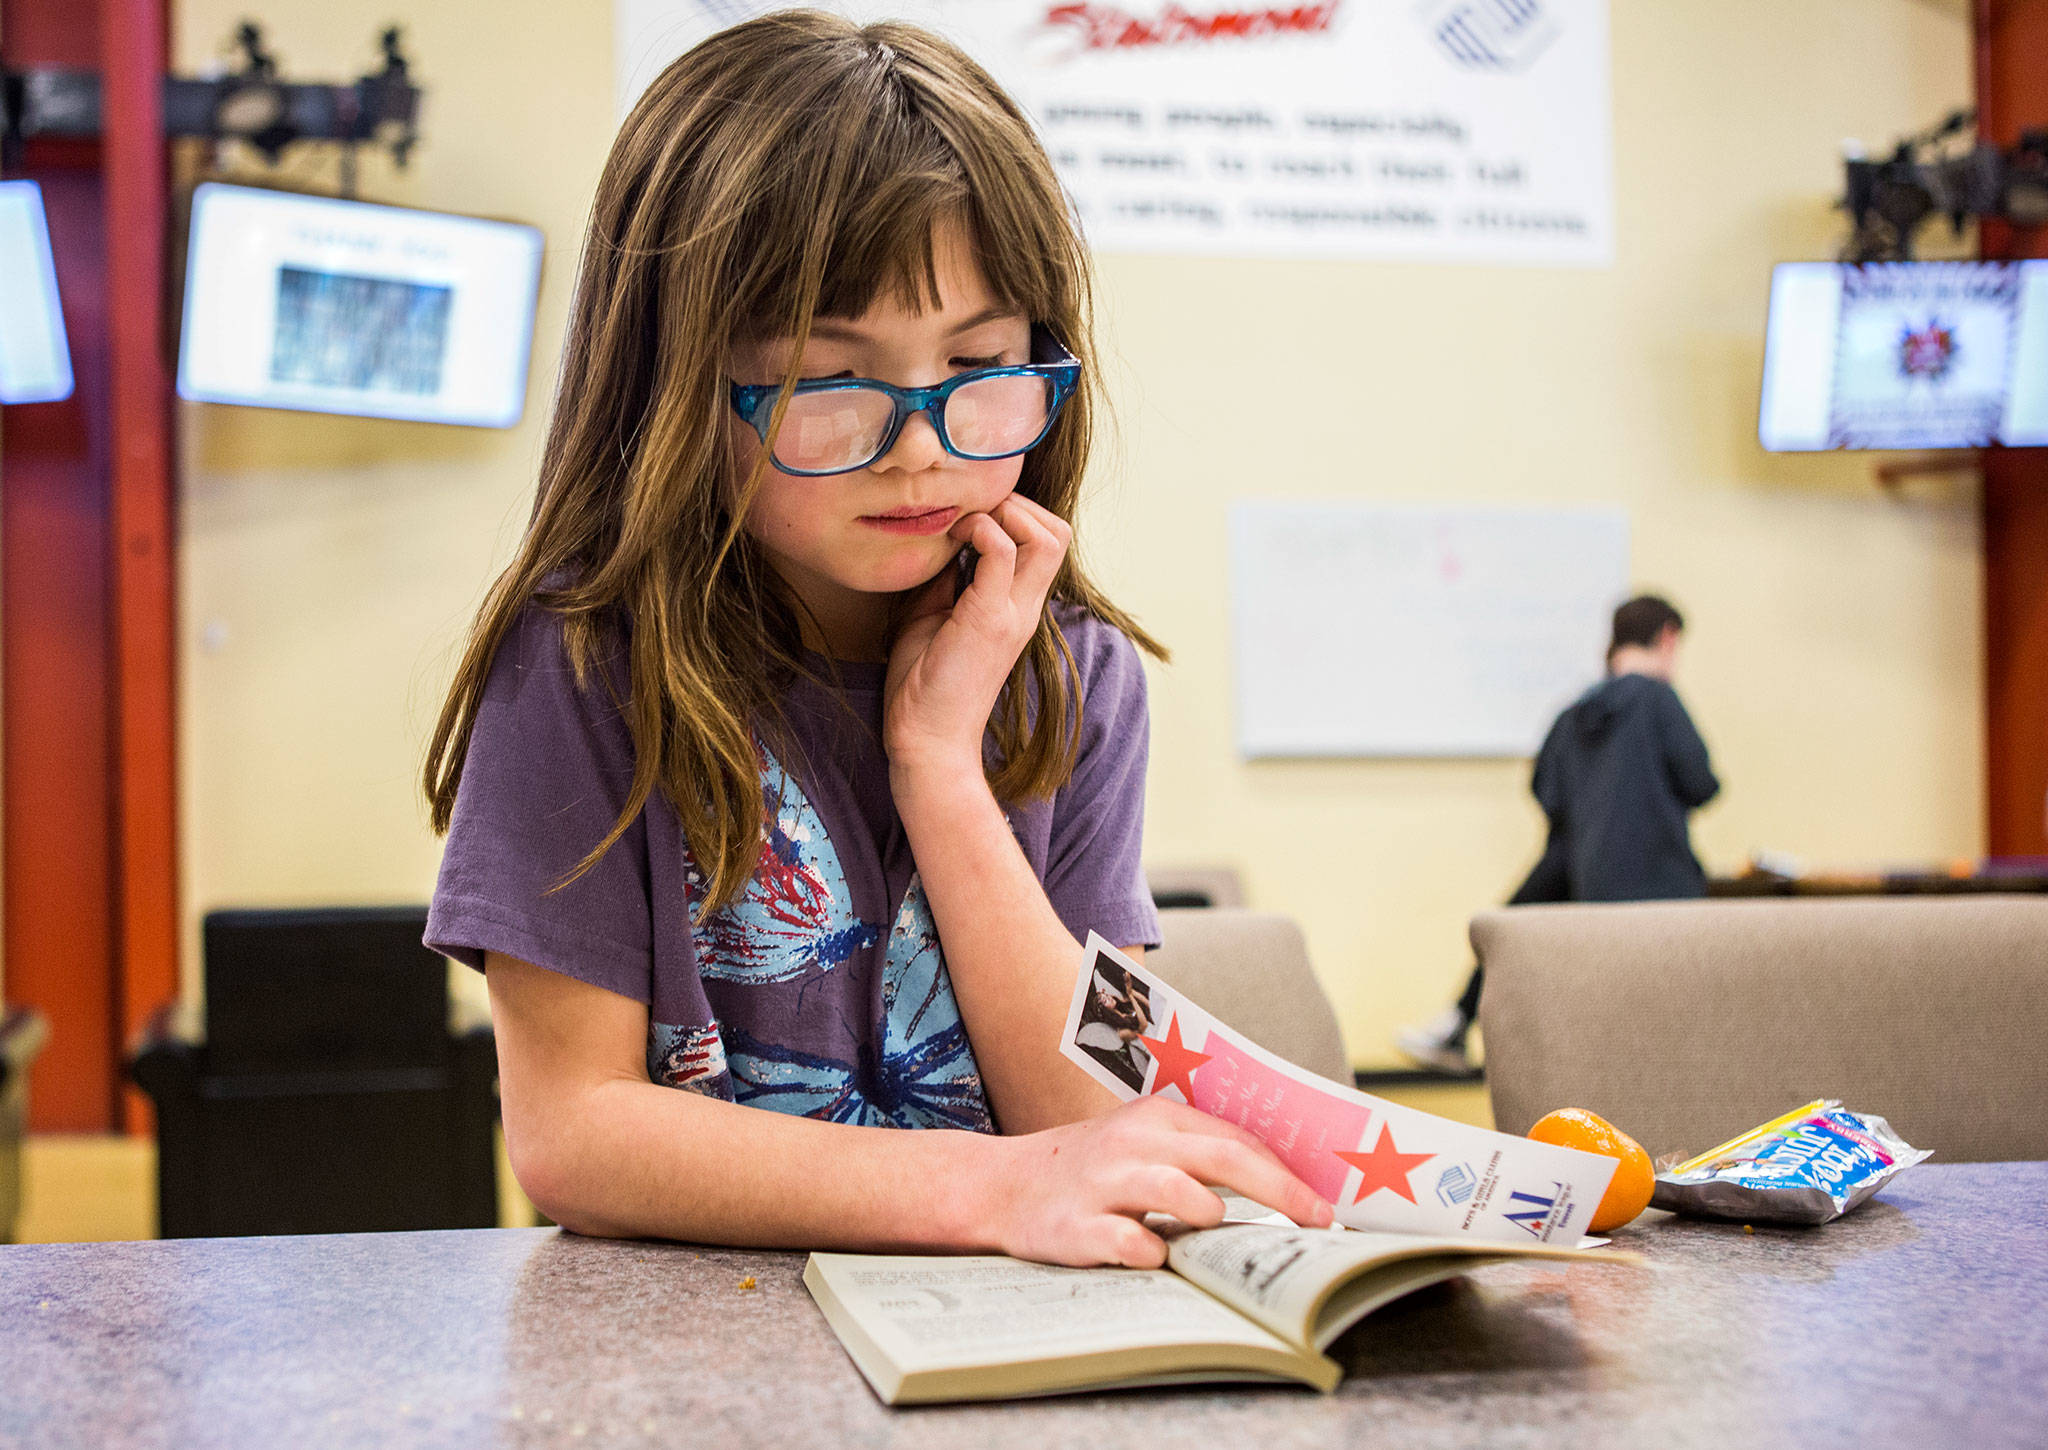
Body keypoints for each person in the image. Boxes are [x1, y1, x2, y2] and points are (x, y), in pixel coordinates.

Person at [420, 11, 1331, 1270]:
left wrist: (941, 765)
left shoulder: (1075, 675)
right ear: (675, 379)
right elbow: (573, 1134)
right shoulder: (583, 660)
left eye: (979, 362)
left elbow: (1082, 1114)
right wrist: (991, 1192)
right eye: (829, 375)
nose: (919, 445)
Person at [1397, 594, 1720, 1073]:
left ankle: (1457, 1017)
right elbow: (1701, 784)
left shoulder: (1573, 715)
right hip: (1662, 901)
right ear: (1668, 637)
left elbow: (1544, 792)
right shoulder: (1657, 699)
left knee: (1528, 900)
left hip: (1585, 894)